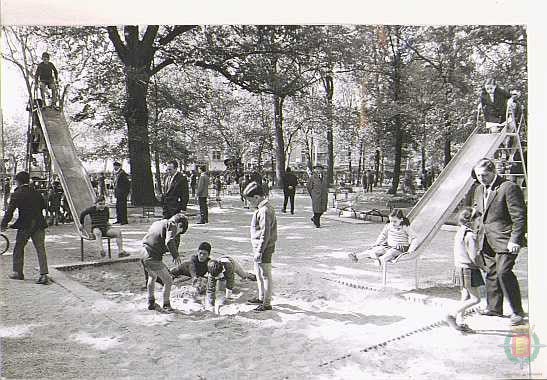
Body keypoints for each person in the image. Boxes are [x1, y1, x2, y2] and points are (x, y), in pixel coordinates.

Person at [472, 158, 527, 326]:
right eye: (478, 175)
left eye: (485, 175)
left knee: (504, 272)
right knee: (492, 272)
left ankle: (518, 312)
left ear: (493, 171)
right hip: (486, 239)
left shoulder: (509, 187)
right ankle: (494, 308)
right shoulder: (479, 189)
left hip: (505, 240)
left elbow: (520, 217)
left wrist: (515, 239)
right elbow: (479, 213)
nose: (482, 178)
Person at [1, 171, 49, 284]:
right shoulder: (36, 192)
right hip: (39, 223)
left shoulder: (17, 194)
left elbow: (10, 211)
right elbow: (44, 206)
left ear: (18, 181)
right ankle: (44, 275)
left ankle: (18, 272)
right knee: (40, 249)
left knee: (19, 248)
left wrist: (3, 224)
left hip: (25, 225)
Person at [446, 207, 484, 333]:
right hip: (468, 269)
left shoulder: (460, 231)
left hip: (459, 267)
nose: (479, 222)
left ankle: (460, 321)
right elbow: (473, 256)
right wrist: (483, 267)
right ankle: (452, 314)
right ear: (471, 221)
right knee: (476, 299)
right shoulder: (470, 235)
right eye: (478, 219)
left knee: (465, 295)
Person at [141, 213, 188, 312]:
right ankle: (166, 304)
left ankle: (151, 301)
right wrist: (175, 255)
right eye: (180, 232)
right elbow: (169, 241)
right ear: (180, 225)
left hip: (143, 252)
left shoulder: (159, 222)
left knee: (152, 276)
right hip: (152, 257)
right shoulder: (172, 225)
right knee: (168, 280)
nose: (178, 234)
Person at [243, 181, 277, 312]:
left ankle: (267, 303)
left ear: (257, 197)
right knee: (258, 273)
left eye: (250, 201)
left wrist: (259, 251)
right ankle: (261, 296)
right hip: (259, 248)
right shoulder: (262, 209)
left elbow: (265, 234)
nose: (250, 204)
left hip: (264, 248)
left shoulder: (265, 211)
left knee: (266, 274)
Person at [348, 209, 417, 267]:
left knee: (390, 253)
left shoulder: (405, 227)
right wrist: (377, 243)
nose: (392, 223)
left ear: (401, 219)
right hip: (389, 245)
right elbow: (383, 235)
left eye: (395, 221)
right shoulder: (389, 226)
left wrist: (410, 250)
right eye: (391, 221)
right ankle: (357, 256)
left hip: (400, 247)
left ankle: (381, 260)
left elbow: (414, 238)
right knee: (376, 249)